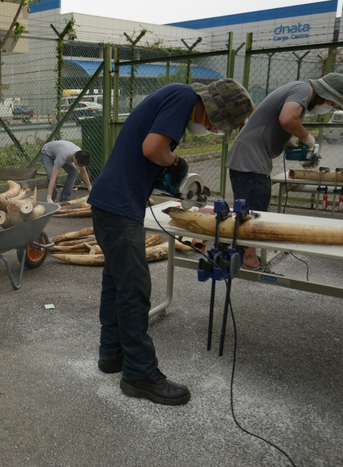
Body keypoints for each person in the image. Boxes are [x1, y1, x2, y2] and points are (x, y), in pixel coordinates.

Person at [87, 78, 254, 405]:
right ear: (213, 110)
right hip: (119, 205)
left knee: (117, 282)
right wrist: (176, 163)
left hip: (112, 202)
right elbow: (153, 149)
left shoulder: (174, 95)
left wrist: (168, 168)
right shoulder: (183, 96)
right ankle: (139, 374)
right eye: (218, 124)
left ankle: (111, 355)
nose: (213, 128)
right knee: (134, 287)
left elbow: (147, 153)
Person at [227, 72, 343, 270]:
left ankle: (242, 253)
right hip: (250, 159)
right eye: (332, 103)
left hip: (250, 157)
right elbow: (287, 119)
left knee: (252, 207)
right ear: (323, 93)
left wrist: (293, 146)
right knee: (253, 210)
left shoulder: (298, 91)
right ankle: (249, 259)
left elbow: (276, 126)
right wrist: (308, 139)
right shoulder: (303, 89)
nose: (331, 107)